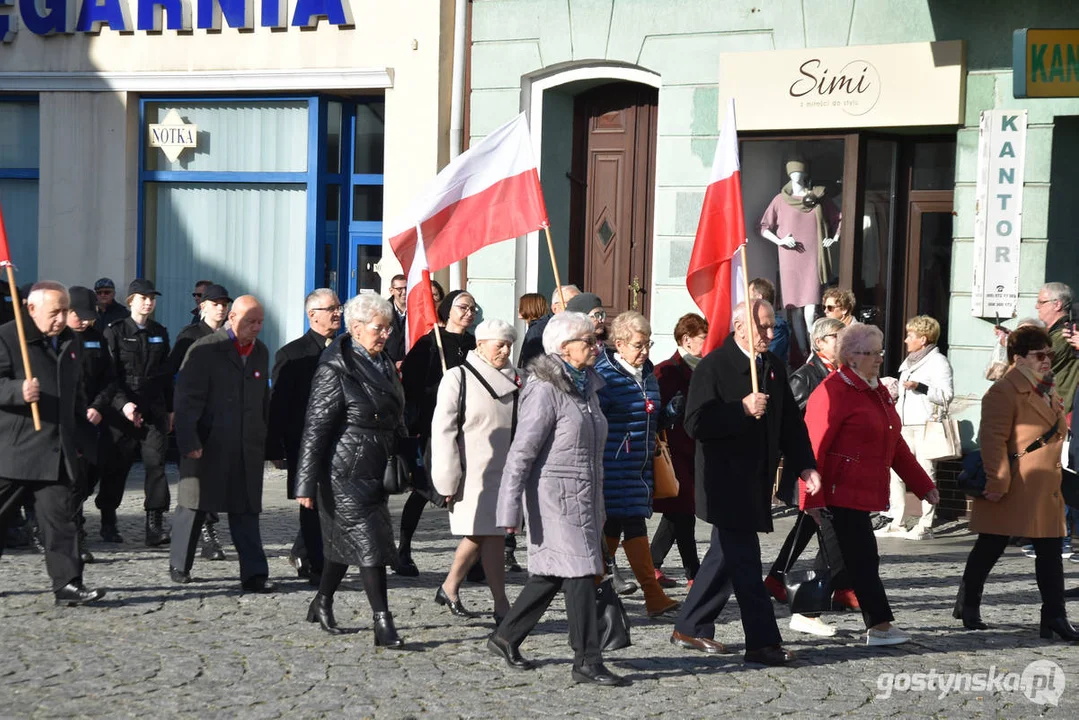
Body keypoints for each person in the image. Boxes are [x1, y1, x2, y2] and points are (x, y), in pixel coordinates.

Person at [671, 300, 817, 665]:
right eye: (763, 328)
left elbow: (789, 424)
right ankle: (762, 643)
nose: (771, 334)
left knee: (724, 557)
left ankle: (690, 625)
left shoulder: (773, 366)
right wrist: (740, 409)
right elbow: (696, 423)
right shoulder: (713, 366)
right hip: (724, 483)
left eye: (772, 327)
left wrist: (805, 466)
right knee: (748, 564)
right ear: (739, 328)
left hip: (756, 481)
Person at [490, 312, 627, 687]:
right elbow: (521, 453)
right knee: (581, 571)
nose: (597, 346)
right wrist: (509, 508)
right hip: (553, 495)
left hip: (584, 494)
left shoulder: (587, 386)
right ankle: (587, 660)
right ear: (565, 349)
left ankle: (505, 636)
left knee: (552, 574)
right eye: (588, 341)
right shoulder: (544, 389)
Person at [801, 323, 940, 646]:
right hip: (838, 490)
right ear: (850, 357)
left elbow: (896, 446)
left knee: (840, 560)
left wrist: (922, 485)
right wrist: (810, 498)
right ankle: (878, 626)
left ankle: (806, 612)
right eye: (871, 353)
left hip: (862, 490)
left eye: (880, 351)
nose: (878, 358)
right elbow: (813, 446)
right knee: (863, 559)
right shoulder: (832, 391)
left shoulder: (875, 390)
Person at [294, 294, 407, 648]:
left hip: (377, 466)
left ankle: (322, 600)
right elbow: (315, 428)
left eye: (388, 327)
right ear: (356, 329)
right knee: (370, 544)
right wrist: (305, 484)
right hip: (343, 470)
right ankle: (383, 622)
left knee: (346, 544)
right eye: (378, 328)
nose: (385, 334)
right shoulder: (335, 368)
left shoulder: (383, 362)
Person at [955, 325, 1079, 639]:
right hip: (1015, 482)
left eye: (1049, 354)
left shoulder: (1045, 387)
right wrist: (997, 483)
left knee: (1050, 551)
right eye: (1040, 355)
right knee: (990, 546)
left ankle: (1054, 616)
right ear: (1019, 357)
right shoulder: (1004, 390)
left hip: (1044, 483)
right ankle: (968, 603)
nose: (1047, 360)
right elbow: (992, 440)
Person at [0, 281, 105, 605]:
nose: (61, 318)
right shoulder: (7, 336)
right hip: (13, 450)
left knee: (61, 521)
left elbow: (76, 392)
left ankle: (68, 584)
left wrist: (82, 441)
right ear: (31, 309)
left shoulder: (71, 342)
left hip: (55, 450)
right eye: (54, 312)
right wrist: (17, 390)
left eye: (65, 311)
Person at [169, 295, 276, 593]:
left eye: (259, 322)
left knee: (246, 509)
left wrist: (267, 440)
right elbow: (187, 399)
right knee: (194, 505)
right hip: (208, 442)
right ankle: (180, 564)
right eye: (249, 321)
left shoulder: (261, 352)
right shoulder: (206, 349)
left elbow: (263, 401)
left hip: (246, 444)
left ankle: (254, 574)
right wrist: (189, 439)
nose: (255, 327)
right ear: (232, 318)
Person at [764, 316, 856, 637]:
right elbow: (789, 425)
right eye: (836, 337)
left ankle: (780, 578)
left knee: (811, 528)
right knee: (825, 527)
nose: (842, 341)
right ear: (819, 343)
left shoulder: (841, 374)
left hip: (833, 468)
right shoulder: (805, 377)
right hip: (810, 467)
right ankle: (834, 588)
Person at [430, 319, 521, 624]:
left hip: (505, 472)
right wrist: (446, 476)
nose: (505, 350)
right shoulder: (458, 377)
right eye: (499, 344)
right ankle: (500, 604)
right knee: (484, 534)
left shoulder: (517, 379)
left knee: (488, 535)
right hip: (472, 473)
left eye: (509, 344)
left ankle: (451, 587)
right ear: (480, 345)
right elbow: (443, 430)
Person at [594, 310, 680, 619]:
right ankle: (651, 594)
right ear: (619, 343)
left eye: (648, 344)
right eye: (638, 345)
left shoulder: (646, 372)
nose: (645, 351)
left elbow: (650, 416)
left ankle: (595, 588)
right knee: (630, 523)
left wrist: (669, 412)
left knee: (617, 525)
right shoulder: (604, 374)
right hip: (613, 463)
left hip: (639, 465)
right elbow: (594, 420)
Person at [395, 290, 478, 576]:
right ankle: (403, 549)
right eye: (463, 307)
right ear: (447, 310)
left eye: (473, 308)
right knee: (424, 489)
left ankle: (475, 558)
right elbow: (411, 386)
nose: (469, 312)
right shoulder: (431, 344)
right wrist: (444, 390)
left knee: (473, 489)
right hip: (435, 427)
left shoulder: (475, 344)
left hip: (470, 425)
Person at [266, 288, 342, 586]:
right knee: (310, 503)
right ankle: (313, 563)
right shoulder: (292, 353)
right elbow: (279, 404)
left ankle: (303, 552)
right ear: (313, 315)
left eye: (339, 307)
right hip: (304, 441)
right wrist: (275, 446)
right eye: (331, 308)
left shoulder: (345, 348)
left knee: (332, 501)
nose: (338, 313)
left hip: (339, 441)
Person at [66, 286, 138, 562]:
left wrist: (98, 406)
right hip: (64, 420)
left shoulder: (97, 339)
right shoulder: (57, 339)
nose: (85, 322)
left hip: (93, 421)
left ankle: (92, 521)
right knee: (72, 481)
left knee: (90, 475)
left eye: (89, 316)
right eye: (79, 316)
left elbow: (109, 381)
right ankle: (74, 536)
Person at [102, 279, 173, 546]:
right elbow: (109, 375)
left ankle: (154, 524)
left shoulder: (159, 332)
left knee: (156, 465)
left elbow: (166, 375)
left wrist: (171, 408)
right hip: (122, 411)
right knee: (115, 467)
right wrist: (123, 404)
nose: (148, 302)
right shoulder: (116, 331)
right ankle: (108, 518)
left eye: (152, 298)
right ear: (131, 300)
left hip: (152, 409)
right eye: (143, 298)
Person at [166, 283, 233, 561]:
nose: (220, 307)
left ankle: (207, 532)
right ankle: (201, 537)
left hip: (222, 419)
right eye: (215, 303)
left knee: (214, 480)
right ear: (202, 306)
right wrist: (174, 412)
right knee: (194, 483)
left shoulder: (231, 337)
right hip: (195, 417)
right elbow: (174, 375)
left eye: (224, 303)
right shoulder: (190, 335)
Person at [874, 315, 954, 540]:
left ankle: (925, 525)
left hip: (925, 424)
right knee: (894, 471)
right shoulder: (909, 362)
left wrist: (922, 387)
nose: (906, 340)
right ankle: (897, 521)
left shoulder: (938, 362)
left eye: (911, 335)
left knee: (926, 472)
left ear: (924, 339)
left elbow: (947, 395)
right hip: (903, 423)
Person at [651, 313, 707, 589]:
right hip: (673, 450)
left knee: (679, 510)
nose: (707, 344)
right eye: (702, 339)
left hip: (695, 448)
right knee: (683, 509)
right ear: (686, 340)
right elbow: (658, 414)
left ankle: (652, 564)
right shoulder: (666, 370)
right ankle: (693, 572)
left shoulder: (704, 369)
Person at [1038, 282, 1079, 414]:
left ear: (1057, 304)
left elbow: (1036, 364)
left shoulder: (1064, 334)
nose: (1037, 306)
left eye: (1041, 302)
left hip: (1058, 409)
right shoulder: (1054, 332)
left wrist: (1013, 344)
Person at [518, 285, 580, 368]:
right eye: (570, 303)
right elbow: (532, 364)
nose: (577, 307)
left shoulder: (581, 328)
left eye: (579, 302)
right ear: (555, 308)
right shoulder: (540, 329)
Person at [749, 278, 790, 365]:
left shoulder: (777, 328)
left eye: (748, 296)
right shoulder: (749, 323)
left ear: (759, 298)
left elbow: (767, 357)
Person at [384, 274, 408, 363]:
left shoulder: (416, 311)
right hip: (388, 365)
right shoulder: (382, 310)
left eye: (406, 288)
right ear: (391, 291)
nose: (404, 292)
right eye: (399, 289)